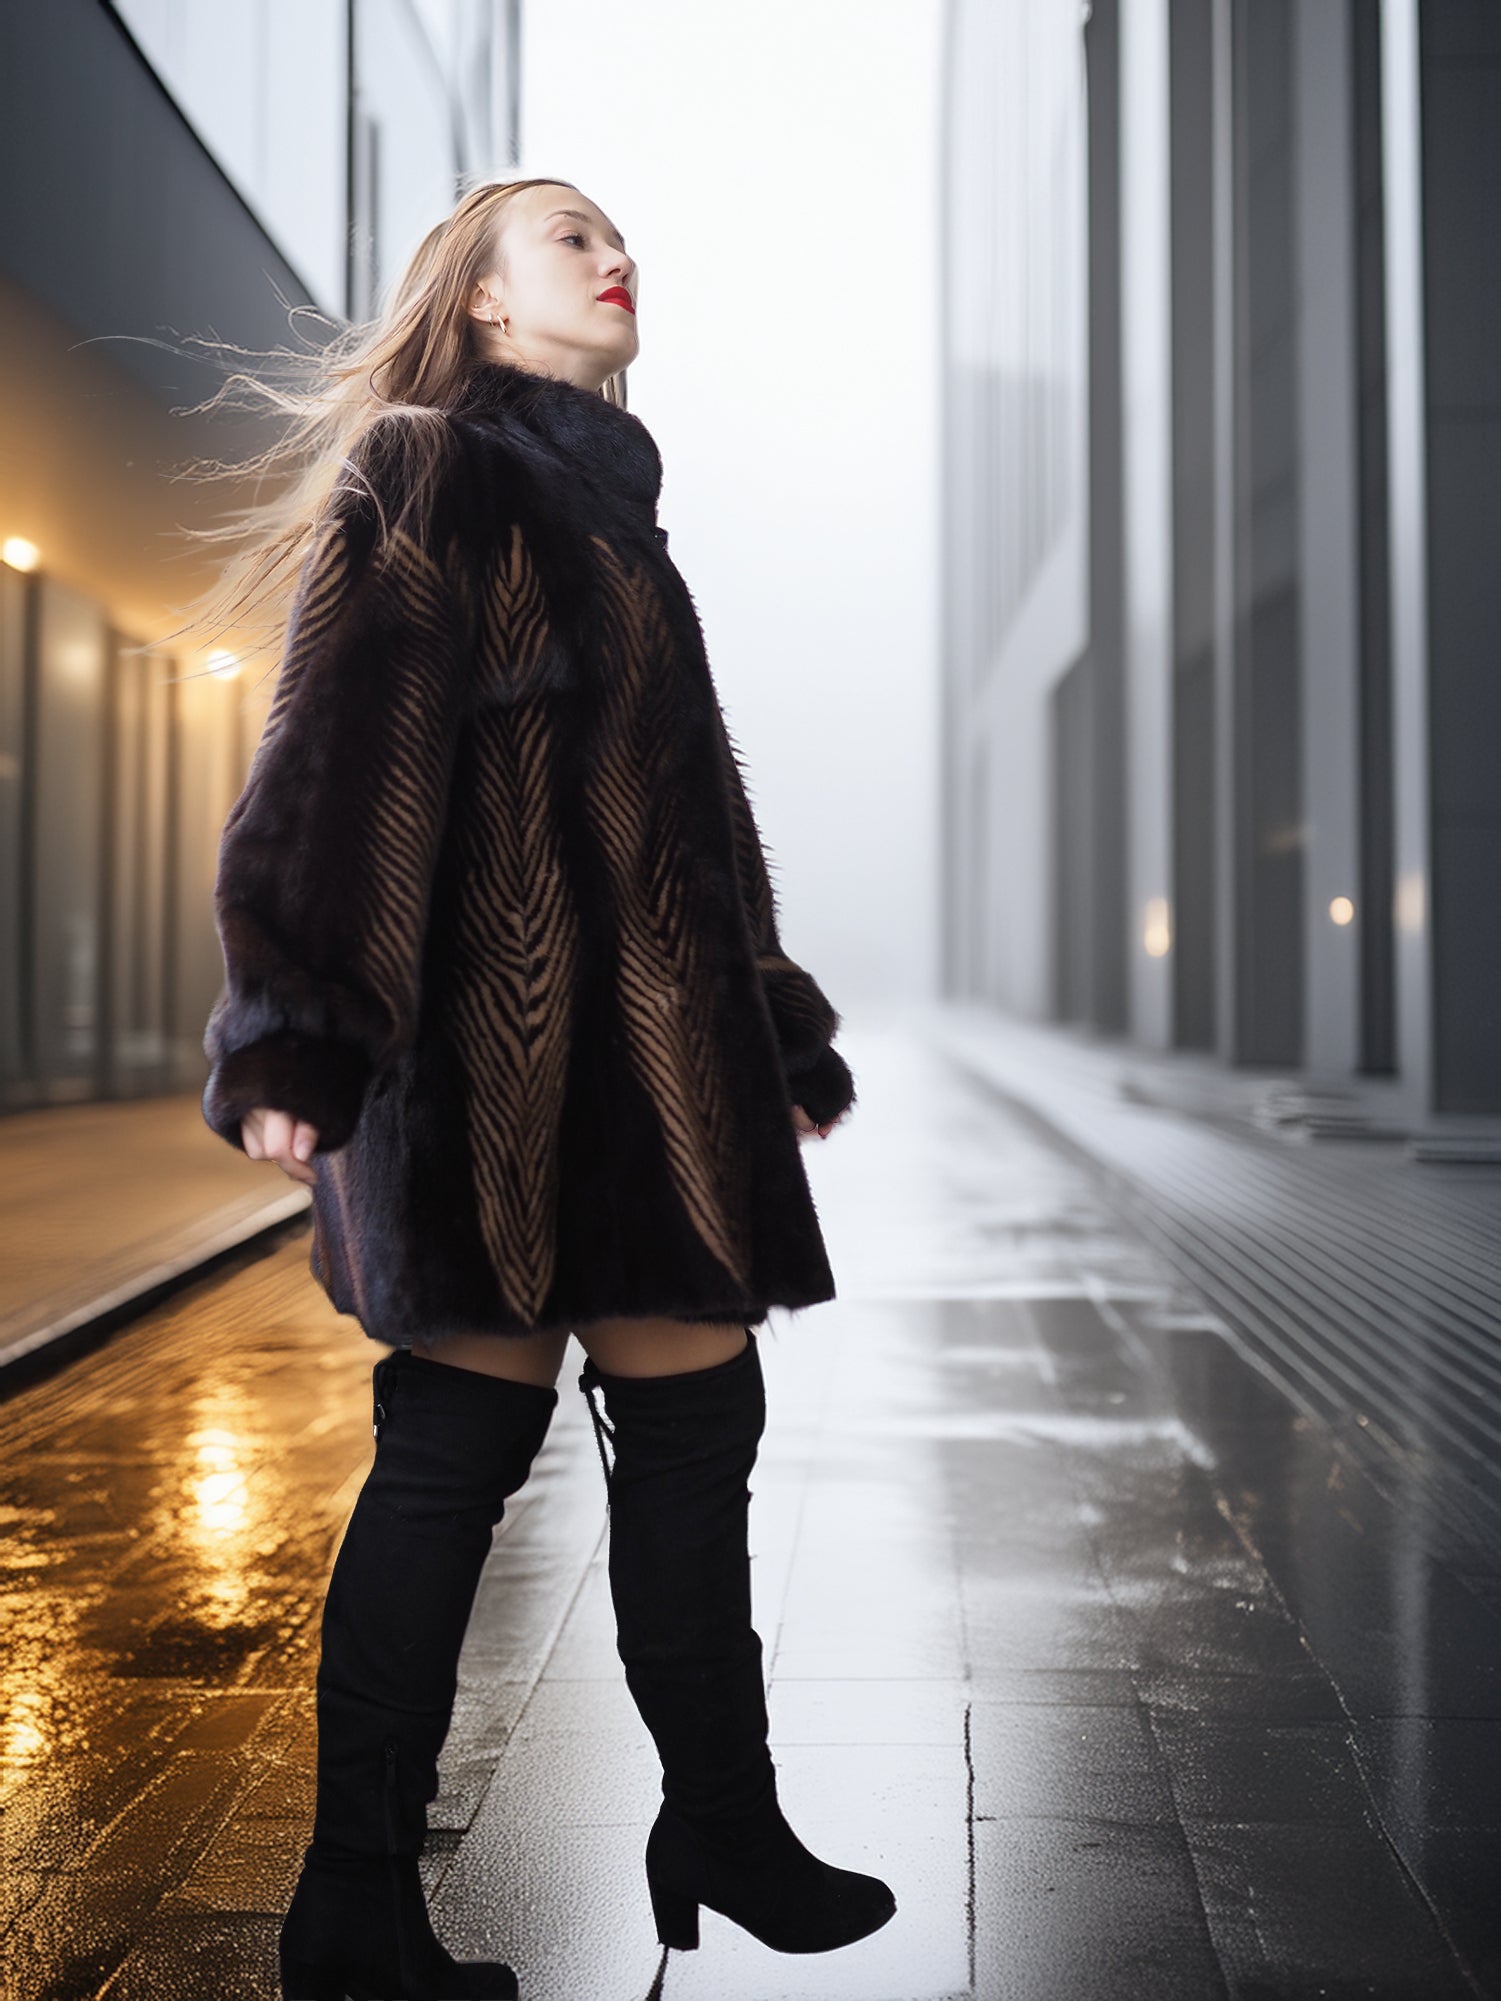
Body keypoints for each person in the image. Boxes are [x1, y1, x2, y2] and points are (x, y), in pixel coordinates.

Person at [196, 176, 896, 2001]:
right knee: (449, 1458)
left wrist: (771, 1028)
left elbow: (692, 830)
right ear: (487, 308)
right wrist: (296, 1026)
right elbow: (338, 755)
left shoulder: (626, 527)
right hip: (487, 1078)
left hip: (657, 1084)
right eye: (565, 236)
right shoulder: (430, 467)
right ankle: (352, 1903)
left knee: (697, 1434)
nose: (613, 253)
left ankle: (720, 1823)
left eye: (619, 232)